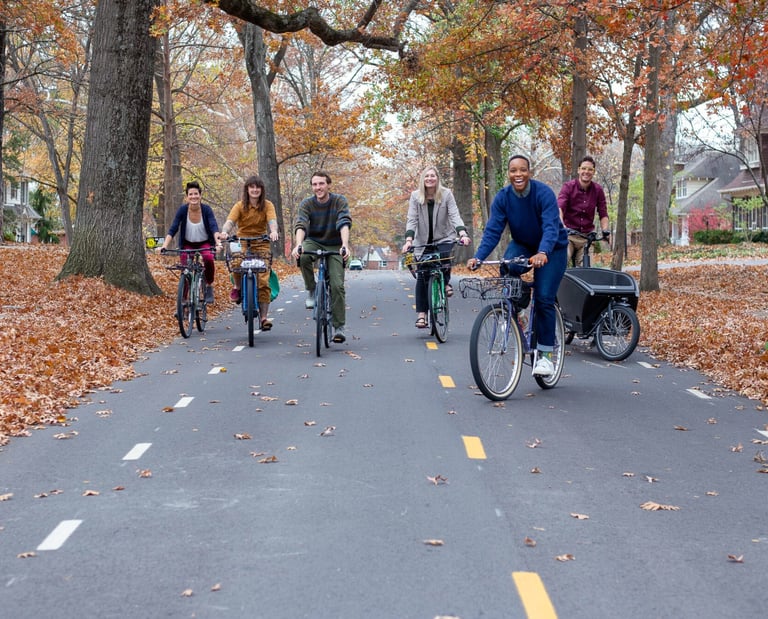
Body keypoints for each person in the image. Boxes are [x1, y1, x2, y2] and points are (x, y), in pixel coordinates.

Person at [468, 155, 568, 377]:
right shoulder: (503, 198)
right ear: (509, 173)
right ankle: (519, 309)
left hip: (553, 248)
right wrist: (479, 257)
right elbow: (493, 230)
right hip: (523, 243)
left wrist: (543, 252)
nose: (518, 174)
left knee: (543, 298)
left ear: (529, 172)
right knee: (509, 266)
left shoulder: (543, 194)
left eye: (522, 170)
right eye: (513, 170)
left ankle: (545, 355)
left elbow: (551, 227)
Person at [401, 165, 471, 329]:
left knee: (445, 256)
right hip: (422, 240)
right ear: (422, 180)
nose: (430, 179)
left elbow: (454, 215)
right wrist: (409, 240)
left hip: (444, 237)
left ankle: (446, 283)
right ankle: (422, 315)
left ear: (437, 178)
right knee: (423, 275)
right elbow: (412, 219)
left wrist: (462, 234)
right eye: (427, 176)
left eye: (432, 176)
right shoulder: (415, 197)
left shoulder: (446, 194)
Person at [290, 171, 352, 344]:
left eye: (321, 184)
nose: (318, 187)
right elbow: (301, 223)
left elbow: (344, 222)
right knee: (302, 257)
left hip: (335, 244)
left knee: (337, 286)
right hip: (314, 242)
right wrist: (298, 244)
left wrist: (344, 245)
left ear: (328, 185)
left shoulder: (339, 201)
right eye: (315, 184)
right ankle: (311, 290)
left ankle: (339, 327)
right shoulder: (307, 204)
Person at [221, 175, 279, 331]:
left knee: (263, 279)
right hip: (242, 241)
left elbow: (272, 221)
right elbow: (230, 222)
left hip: (261, 242)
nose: (255, 190)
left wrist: (273, 231)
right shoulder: (239, 206)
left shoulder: (267, 205)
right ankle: (238, 288)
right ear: (247, 189)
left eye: (257, 187)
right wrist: (225, 232)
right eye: (252, 187)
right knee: (236, 262)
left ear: (261, 190)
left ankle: (264, 317)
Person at [161, 181, 222, 304]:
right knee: (186, 269)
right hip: (188, 244)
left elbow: (213, 226)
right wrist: (164, 246)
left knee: (208, 258)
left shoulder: (206, 210)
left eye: (196, 194)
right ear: (187, 197)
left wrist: (218, 243)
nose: (193, 197)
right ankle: (183, 300)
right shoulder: (183, 210)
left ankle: (209, 286)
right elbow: (173, 228)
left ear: (200, 195)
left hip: (204, 242)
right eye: (191, 194)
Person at [557, 155, 610, 267]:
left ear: (593, 172)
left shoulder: (598, 190)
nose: (587, 172)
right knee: (561, 262)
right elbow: (559, 208)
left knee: (587, 270)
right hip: (569, 236)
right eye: (584, 168)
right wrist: (562, 226)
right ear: (579, 170)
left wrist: (605, 230)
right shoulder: (568, 187)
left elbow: (603, 213)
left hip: (586, 238)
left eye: (590, 169)